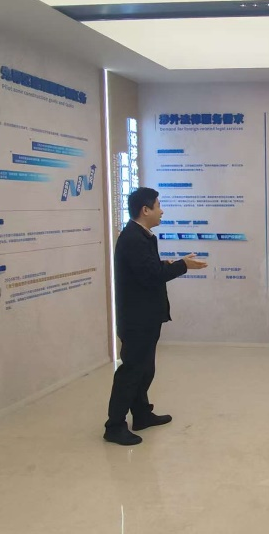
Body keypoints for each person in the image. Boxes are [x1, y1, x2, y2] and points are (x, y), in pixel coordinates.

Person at [104, 187, 207, 446]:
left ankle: (141, 414)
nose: (162, 211)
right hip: (136, 319)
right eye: (158, 206)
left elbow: (148, 269)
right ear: (145, 210)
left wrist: (171, 264)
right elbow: (150, 276)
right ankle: (114, 426)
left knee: (144, 369)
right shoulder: (133, 239)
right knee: (131, 371)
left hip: (147, 316)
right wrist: (182, 266)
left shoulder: (143, 236)